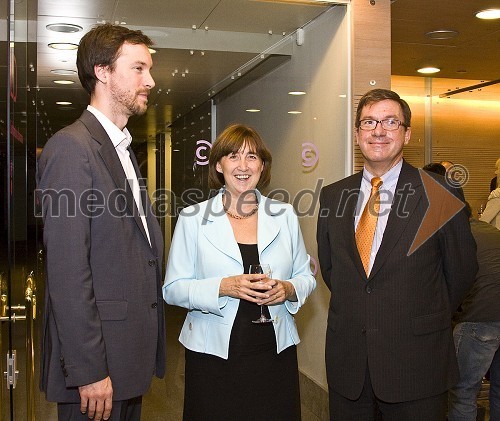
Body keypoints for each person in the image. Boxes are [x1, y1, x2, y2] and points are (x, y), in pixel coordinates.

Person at [317, 88, 478, 420]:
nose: (379, 130)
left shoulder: (439, 191)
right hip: (350, 366)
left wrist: (417, 313)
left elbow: (460, 272)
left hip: (416, 365)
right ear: (358, 133)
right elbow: (335, 272)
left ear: (407, 133)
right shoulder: (334, 196)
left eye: (391, 121)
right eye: (369, 122)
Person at [37, 24, 165, 421]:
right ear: (103, 72)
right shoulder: (71, 149)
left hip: (126, 361)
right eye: (139, 69)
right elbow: (68, 273)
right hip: (96, 375)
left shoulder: (121, 148)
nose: (151, 81)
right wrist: (89, 370)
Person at [163, 123, 316, 421]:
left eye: (252, 157)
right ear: (219, 164)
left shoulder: (284, 216)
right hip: (213, 356)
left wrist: (288, 289)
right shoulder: (192, 219)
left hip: (274, 351)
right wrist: (223, 286)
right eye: (233, 156)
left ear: (262, 165)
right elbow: (173, 289)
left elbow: (306, 276)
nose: (243, 166)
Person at [448, 203, 500, 421]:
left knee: (462, 392)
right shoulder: (491, 230)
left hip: (480, 318)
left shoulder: (458, 237)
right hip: (492, 313)